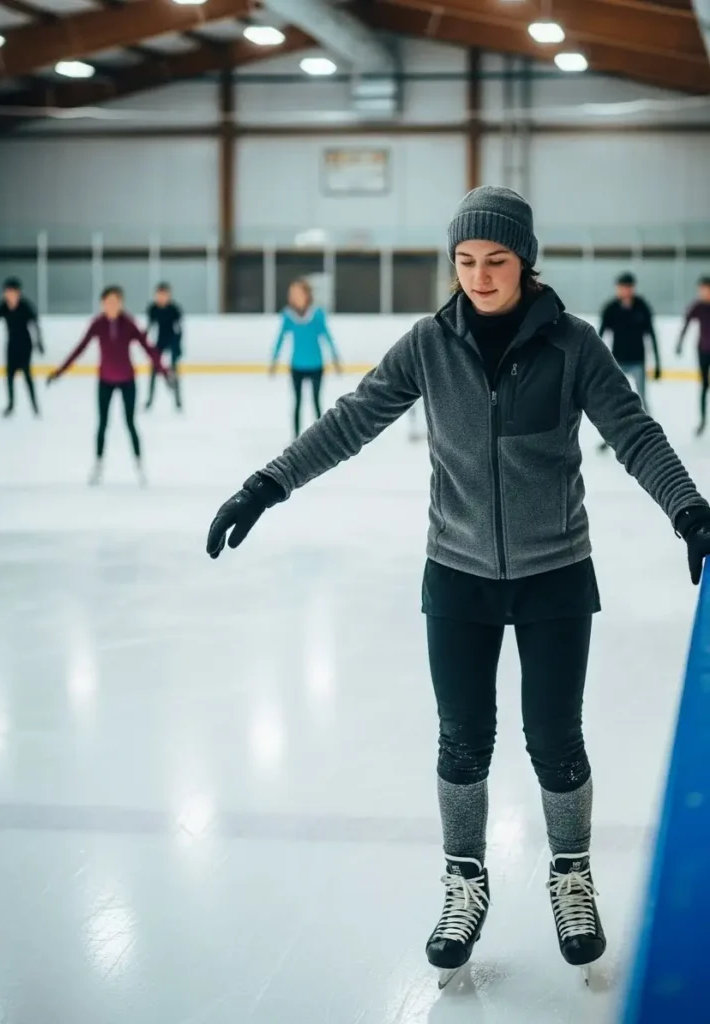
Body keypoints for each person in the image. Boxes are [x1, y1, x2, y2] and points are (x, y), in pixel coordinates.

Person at [206, 186, 710, 987]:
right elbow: (351, 420)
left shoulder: (573, 345)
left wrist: (688, 509)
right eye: (466, 261)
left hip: (555, 574)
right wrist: (265, 485)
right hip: (457, 574)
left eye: (495, 260)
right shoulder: (428, 345)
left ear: (525, 261)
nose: (479, 276)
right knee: (462, 741)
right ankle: (464, 883)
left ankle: (571, 875)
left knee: (555, 740)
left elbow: (635, 431)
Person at [47, 286, 170, 486]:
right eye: (108, 302)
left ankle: (139, 465)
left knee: (130, 423)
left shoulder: (128, 323)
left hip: (127, 381)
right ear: (102, 304)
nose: (112, 306)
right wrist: (59, 371)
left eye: (115, 302)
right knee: (102, 424)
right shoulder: (98, 324)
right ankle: (98, 465)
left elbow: (148, 348)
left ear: (121, 303)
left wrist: (164, 371)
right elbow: (79, 349)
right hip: (105, 381)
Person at [597, 273, 661, 453]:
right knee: (614, 402)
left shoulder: (642, 307)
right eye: (622, 287)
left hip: (638, 361)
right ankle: (609, 439)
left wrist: (658, 363)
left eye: (628, 287)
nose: (625, 290)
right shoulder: (611, 308)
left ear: (633, 288)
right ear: (617, 288)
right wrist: (596, 362)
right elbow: (599, 337)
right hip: (617, 362)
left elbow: (651, 334)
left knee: (642, 399)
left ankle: (651, 437)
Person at [270, 280, 342, 439]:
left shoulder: (317, 314)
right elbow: (280, 338)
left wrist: (335, 358)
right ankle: (296, 437)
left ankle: (320, 436)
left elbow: (327, 336)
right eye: (291, 293)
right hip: (297, 366)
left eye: (297, 292)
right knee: (297, 402)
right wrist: (274, 360)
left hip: (316, 365)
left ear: (307, 294)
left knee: (316, 401)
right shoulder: (288, 316)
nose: (293, 296)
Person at [0, 277, 44, 418]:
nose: (8, 295)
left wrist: (39, 342)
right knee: (9, 376)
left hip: (25, 345)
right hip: (11, 345)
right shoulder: (3, 307)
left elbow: (35, 324)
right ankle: (10, 405)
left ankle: (34, 406)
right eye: (6, 292)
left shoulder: (25, 306)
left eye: (11, 292)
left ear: (18, 293)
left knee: (27, 375)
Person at [676, 277, 710, 436]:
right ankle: (702, 421)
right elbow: (686, 323)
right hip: (703, 351)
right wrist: (679, 343)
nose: (704, 292)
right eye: (702, 289)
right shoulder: (698, 306)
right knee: (704, 386)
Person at [145, 282, 183, 411]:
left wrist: (177, 348)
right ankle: (150, 400)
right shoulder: (153, 309)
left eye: (164, 295)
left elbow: (179, 330)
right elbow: (150, 327)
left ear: (169, 295)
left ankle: (178, 400)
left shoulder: (174, 309)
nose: (162, 297)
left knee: (174, 371)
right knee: (153, 370)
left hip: (172, 341)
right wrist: (144, 341)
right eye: (159, 295)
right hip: (160, 342)